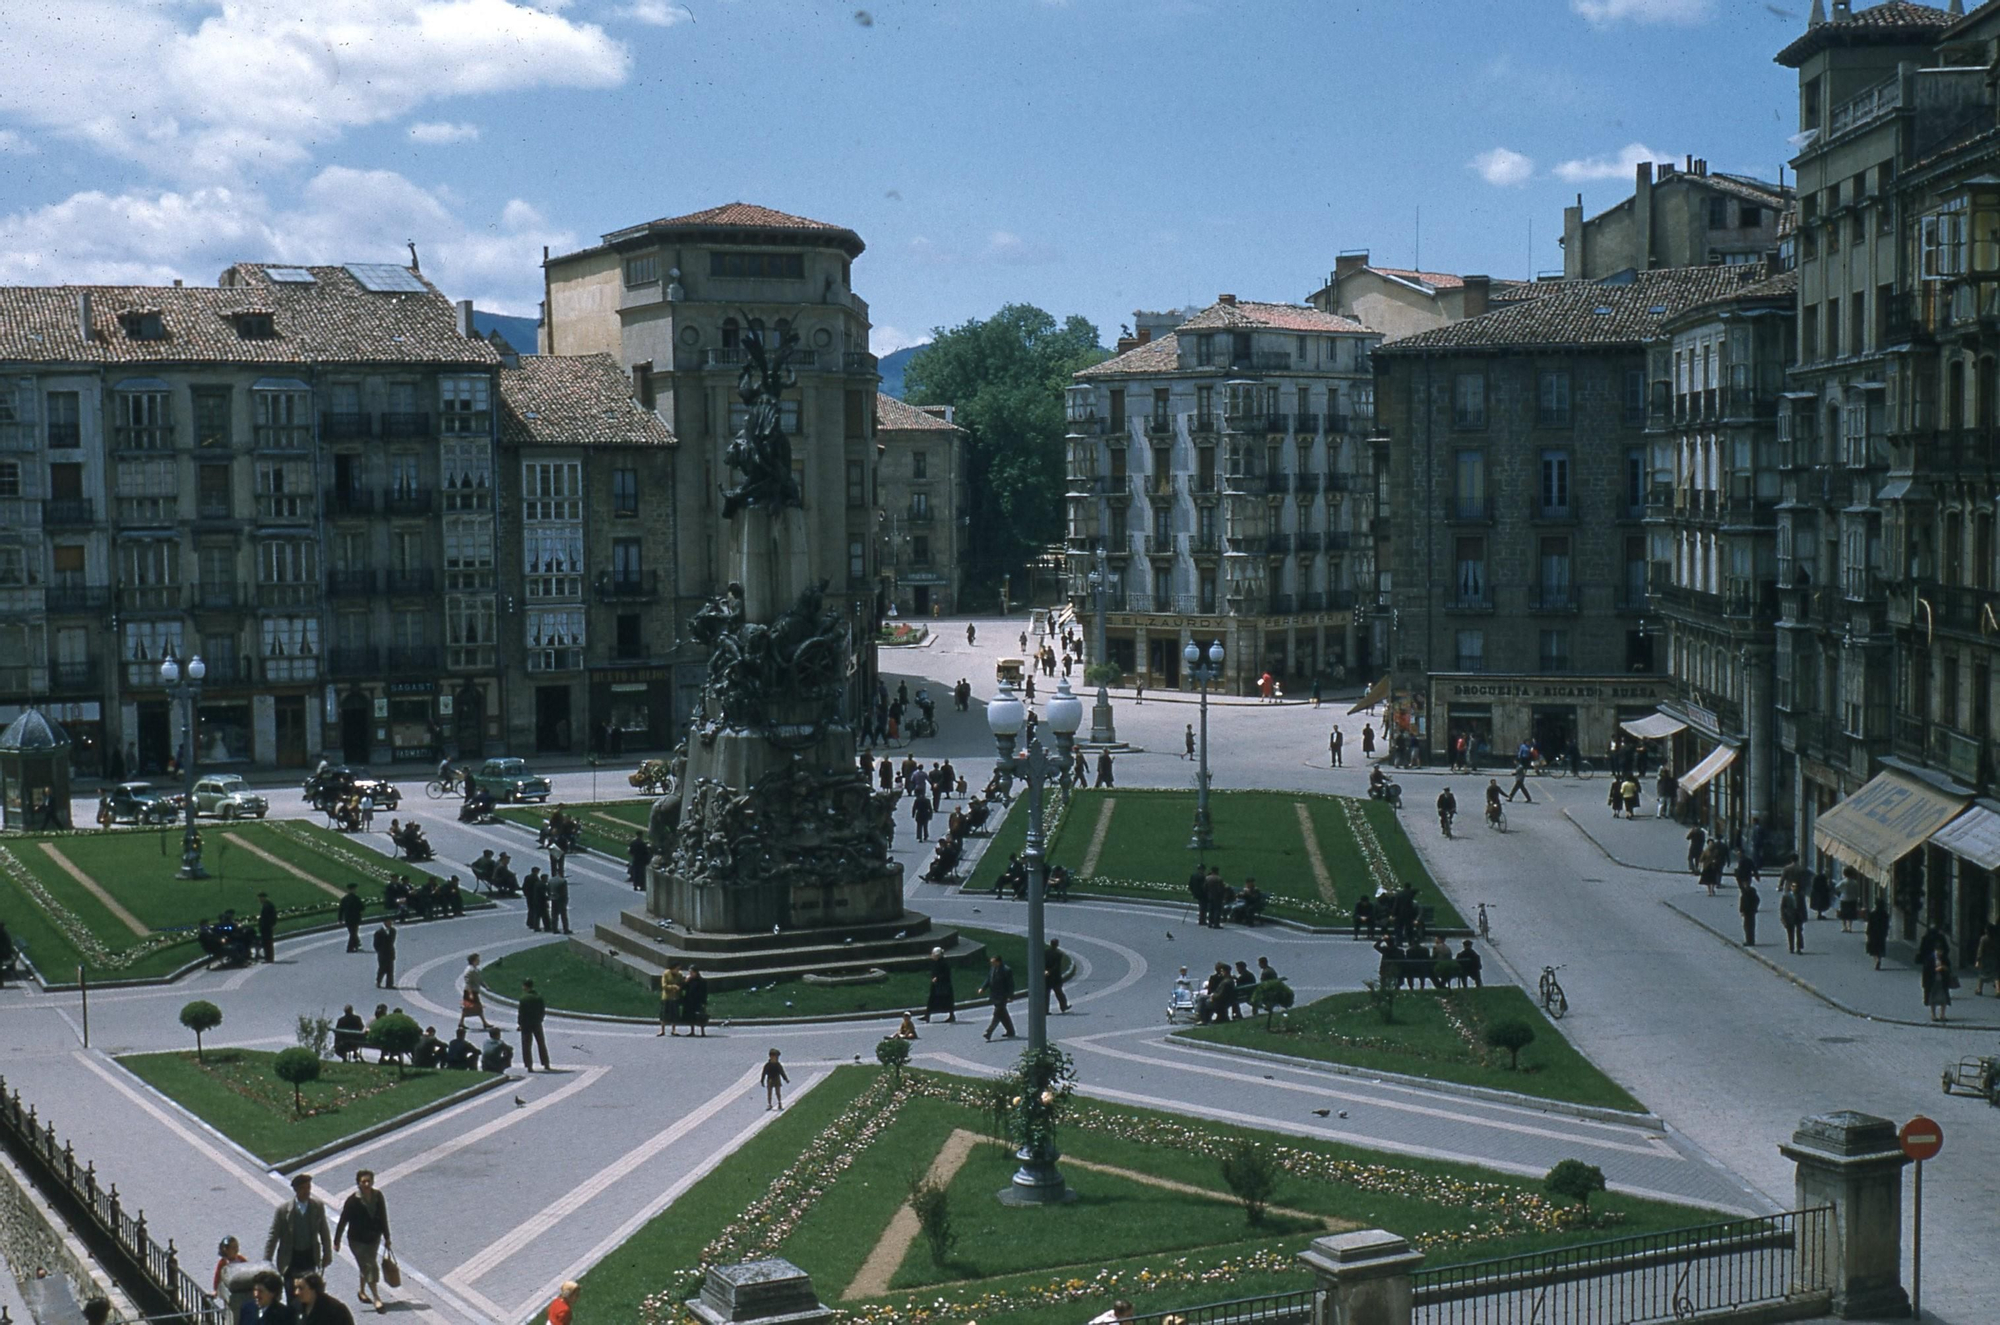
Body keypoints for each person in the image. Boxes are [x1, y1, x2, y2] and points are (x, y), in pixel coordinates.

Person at [263, 1174, 333, 1307]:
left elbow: (324, 1232)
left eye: (308, 1187)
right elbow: (273, 1236)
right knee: (292, 1293)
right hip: (290, 1260)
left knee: (309, 1292)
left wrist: (327, 1254)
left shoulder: (317, 1206)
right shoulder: (283, 1211)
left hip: (309, 1257)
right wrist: (267, 1260)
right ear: (296, 1190)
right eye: (303, 1188)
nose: (307, 1191)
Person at [333, 1170, 391, 1313]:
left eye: (369, 1181)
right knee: (370, 1266)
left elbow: (383, 1216)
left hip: (373, 1238)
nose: (366, 1184)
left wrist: (387, 1237)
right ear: (358, 1183)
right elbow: (343, 1221)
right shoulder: (352, 1201)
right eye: (363, 1181)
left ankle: (362, 1291)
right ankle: (377, 1298)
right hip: (357, 1240)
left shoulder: (378, 1196)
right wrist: (337, 1240)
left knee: (365, 1266)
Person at [978, 954, 1017, 1040]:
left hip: (1002, 996)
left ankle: (988, 1032)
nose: (992, 964)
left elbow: (1010, 985)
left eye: (993, 962)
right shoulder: (993, 968)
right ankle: (1010, 1031)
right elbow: (989, 979)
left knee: (997, 1014)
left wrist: (1010, 996)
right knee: (1003, 1015)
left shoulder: (1006, 970)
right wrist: (983, 988)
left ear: (998, 962)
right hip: (994, 995)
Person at [924, 947, 956, 1023]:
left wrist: (937, 978)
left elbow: (946, 974)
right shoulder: (935, 963)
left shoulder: (944, 963)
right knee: (932, 1000)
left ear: (937, 955)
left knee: (946, 1001)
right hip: (936, 986)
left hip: (944, 986)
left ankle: (951, 1015)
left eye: (933, 954)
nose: (932, 955)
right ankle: (927, 1015)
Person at [459, 954, 490, 1032]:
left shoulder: (475, 969)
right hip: (470, 991)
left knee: (472, 1007)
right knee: (473, 1007)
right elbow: (468, 982)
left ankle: (461, 1022)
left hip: (474, 991)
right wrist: (470, 994)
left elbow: (479, 979)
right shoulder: (470, 970)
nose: (479, 961)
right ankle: (484, 1023)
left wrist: (485, 986)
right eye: (478, 959)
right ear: (474, 961)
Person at [1925, 947, 1955, 1023]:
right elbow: (1926, 971)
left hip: (1942, 981)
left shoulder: (1944, 958)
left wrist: (1944, 968)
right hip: (1932, 981)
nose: (1940, 953)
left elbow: (1949, 968)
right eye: (1938, 951)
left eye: (1941, 951)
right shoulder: (1930, 959)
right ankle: (1933, 1015)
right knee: (1932, 999)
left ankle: (1942, 1015)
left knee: (1944, 998)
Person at [1045, 938, 1071, 1013]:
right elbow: (1057, 965)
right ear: (1057, 944)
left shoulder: (1046, 952)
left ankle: (1045, 1010)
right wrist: (1051, 971)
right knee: (1059, 993)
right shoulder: (1059, 954)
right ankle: (1063, 1006)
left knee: (1046, 994)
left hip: (1047, 976)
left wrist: (1046, 971)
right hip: (1055, 977)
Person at [682, 965, 709, 1036]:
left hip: (698, 1001)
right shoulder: (689, 980)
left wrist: (704, 1002)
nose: (690, 974)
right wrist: (685, 981)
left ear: (696, 972)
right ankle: (692, 1031)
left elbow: (704, 992)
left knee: (700, 1016)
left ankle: (702, 1031)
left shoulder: (702, 981)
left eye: (692, 972)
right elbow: (683, 988)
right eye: (689, 972)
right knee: (690, 1016)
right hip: (689, 1001)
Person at [1865, 896, 1891, 970]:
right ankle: (1879, 959)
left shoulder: (1873, 914)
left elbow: (1870, 924)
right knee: (1880, 947)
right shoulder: (1885, 914)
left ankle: (1876, 960)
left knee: (1873, 948)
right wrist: (1886, 932)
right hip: (1881, 933)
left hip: (1873, 933)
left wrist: (1868, 932)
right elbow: (1887, 924)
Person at [658, 964, 684, 1036]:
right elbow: (664, 985)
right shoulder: (666, 974)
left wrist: (680, 987)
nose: (678, 970)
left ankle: (674, 1030)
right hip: (667, 997)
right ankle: (662, 1030)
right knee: (664, 1014)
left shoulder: (680, 975)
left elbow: (682, 983)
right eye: (676, 969)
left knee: (674, 1014)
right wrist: (673, 987)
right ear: (672, 969)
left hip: (675, 997)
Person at [1779, 882, 1805, 954]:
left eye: (1796, 886)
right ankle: (1791, 947)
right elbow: (1782, 908)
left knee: (1799, 932)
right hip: (1789, 916)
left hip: (1798, 916)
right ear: (1791, 887)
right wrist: (1783, 918)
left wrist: (1804, 916)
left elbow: (1803, 907)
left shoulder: (1800, 896)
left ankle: (1799, 948)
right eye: (1793, 886)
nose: (1794, 888)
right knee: (1790, 933)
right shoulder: (1786, 896)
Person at [338, 885, 364, 954]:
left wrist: (340, 919)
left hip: (348, 918)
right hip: (355, 918)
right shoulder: (356, 898)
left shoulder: (344, 899)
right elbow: (362, 907)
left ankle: (356, 944)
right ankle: (350, 947)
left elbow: (341, 910)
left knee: (352, 932)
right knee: (353, 933)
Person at [372, 920, 396, 991]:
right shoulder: (379, 932)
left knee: (390, 969)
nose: (390, 923)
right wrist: (380, 951)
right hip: (382, 953)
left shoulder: (393, 931)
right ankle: (378, 981)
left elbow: (392, 942)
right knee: (382, 968)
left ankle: (389, 984)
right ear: (385, 923)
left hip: (390, 952)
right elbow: (376, 944)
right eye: (388, 922)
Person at [1738, 878, 1760, 947]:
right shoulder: (1753, 891)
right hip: (1752, 911)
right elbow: (1757, 900)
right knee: (1751, 926)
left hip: (1747, 911)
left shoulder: (1745, 892)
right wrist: (1755, 908)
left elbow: (1743, 902)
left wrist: (1742, 910)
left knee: (1747, 926)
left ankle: (1749, 941)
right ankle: (1751, 940)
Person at [257, 891, 278, 963]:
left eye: (260, 898)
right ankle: (268, 957)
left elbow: (270, 917)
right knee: (267, 943)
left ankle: (269, 958)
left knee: (267, 943)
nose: (259, 900)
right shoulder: (267, 905)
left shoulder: (267, 905)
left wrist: (271, 924)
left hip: (267, 927)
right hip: (266, 927)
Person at [549, 872, 572, 936]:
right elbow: (564, 892)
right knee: (563, 915)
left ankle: (554, 928)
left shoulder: (551, 880)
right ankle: (566, 929)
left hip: (553, 899)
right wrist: (566, 900)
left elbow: (548, 890)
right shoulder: (563, 881)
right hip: (561, 900)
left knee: (554, 914)